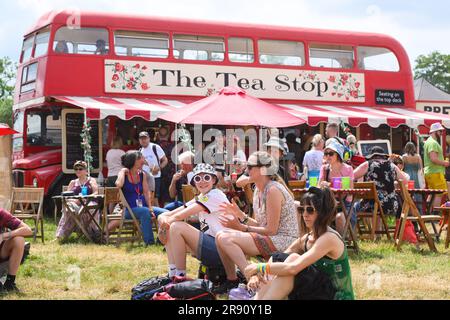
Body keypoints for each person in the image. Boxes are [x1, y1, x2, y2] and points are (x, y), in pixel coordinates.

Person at [245, 186, 355, 300]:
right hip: (318, 292)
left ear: (322, 212)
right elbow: (278, 259)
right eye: (302, 210)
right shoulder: (307, 238)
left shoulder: (329, 238)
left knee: (292, 260)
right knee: (281, 257)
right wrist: (257, 274)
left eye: (310, 210)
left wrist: (259, 267)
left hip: (336, 296)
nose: (305, 214)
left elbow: (293, 268)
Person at [214, 151, 299, 293]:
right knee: (220, 235)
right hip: (273, 237)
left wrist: (242, 227)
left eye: (250, 166)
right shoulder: (258, 191)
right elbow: (261, 226)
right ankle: (233, 280)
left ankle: (252, 277)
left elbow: (271, 230)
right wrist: (240, 215)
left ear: (263, 170)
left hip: (285, 241)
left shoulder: (272, 190)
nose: (247, 170)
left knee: (224, 238)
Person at [157, 164, 231, 278]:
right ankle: (173, 274)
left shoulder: (214, 195)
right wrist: (162, 219)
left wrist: (164, 224)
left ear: (214, 180)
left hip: (223, 250)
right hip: (214, 245)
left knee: (176, 227)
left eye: (206, 177)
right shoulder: (202, 196)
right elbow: (169, 214)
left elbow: (177, 217)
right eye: (197, 178)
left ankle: (180, 276)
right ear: (194, 183)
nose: (202, 182)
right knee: (172, 227)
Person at [114, 151, 166, 245]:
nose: (143, 160)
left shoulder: (142, 174)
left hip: (144, 206)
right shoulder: (124, 174)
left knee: (166, 213)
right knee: (144, 212)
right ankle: (149, 242)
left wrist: (150, 208)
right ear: (133, 161)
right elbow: (118, 184)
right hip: (129, 209)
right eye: (140, 159)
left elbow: (146, 192)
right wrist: (122, 171)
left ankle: (161, 239)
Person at [354, 146, 408, 220]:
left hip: (371, 205)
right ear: (383, 156)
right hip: (391, 206)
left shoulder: (368, 164)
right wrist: (394, 183)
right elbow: (405, 181)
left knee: (353, 207)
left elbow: (351, 176)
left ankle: (352, 229)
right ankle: (377, 230)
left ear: (372, 156)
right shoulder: (392, 166)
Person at [56, 161, 101, 242]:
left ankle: (93, 232)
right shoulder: (73, 182)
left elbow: (96, 192)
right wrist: (75, 200)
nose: (78, 171)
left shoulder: (91, 180)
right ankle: (60, 235)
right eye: (76, 169)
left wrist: (86, 198)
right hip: (75, 204)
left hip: (88, 203)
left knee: (86, 208)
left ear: (85, 170)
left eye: (80, 169)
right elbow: (66, 196)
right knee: (68, 208)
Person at [318, 141, 354, 235]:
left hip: (344, 203)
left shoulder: (348, 169)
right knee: (311, 211)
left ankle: (341, 243)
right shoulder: (324, 168)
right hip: (328, 202)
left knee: (339, 216)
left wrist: (330, 185)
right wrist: (323, 184)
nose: (328, 156)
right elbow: (319, 185)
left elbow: (350, 189)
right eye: (326, 154)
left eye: (330, 154)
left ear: (338, 155)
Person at [0, 208, 33, 294]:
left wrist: (3, 236)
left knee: (19, 239)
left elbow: (28, 230)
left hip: (2, 254)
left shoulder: (1, 213)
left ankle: (10, 283)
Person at [423, 123, 449, 209]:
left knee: (432, 193)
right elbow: (433, 159)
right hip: (435, 172)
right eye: (440, 131)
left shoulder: (429, 141)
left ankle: (428, 213)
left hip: (431, 172)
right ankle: (435, 214)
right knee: (439, 193)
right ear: (435, 131)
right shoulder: (433, 143)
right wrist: (445, 163)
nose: (441, 133)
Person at [139, 131, 168, 206]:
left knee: (155, 199)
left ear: (149, 138)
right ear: (139, 140)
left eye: (145, 138)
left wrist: (159, 168)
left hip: (155, 177)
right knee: (145, 198)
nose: (143, 140)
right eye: (141, 139)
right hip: (144, 178)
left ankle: (157, 216)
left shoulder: (155, 147)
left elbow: (165, 160)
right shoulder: (140, 151)